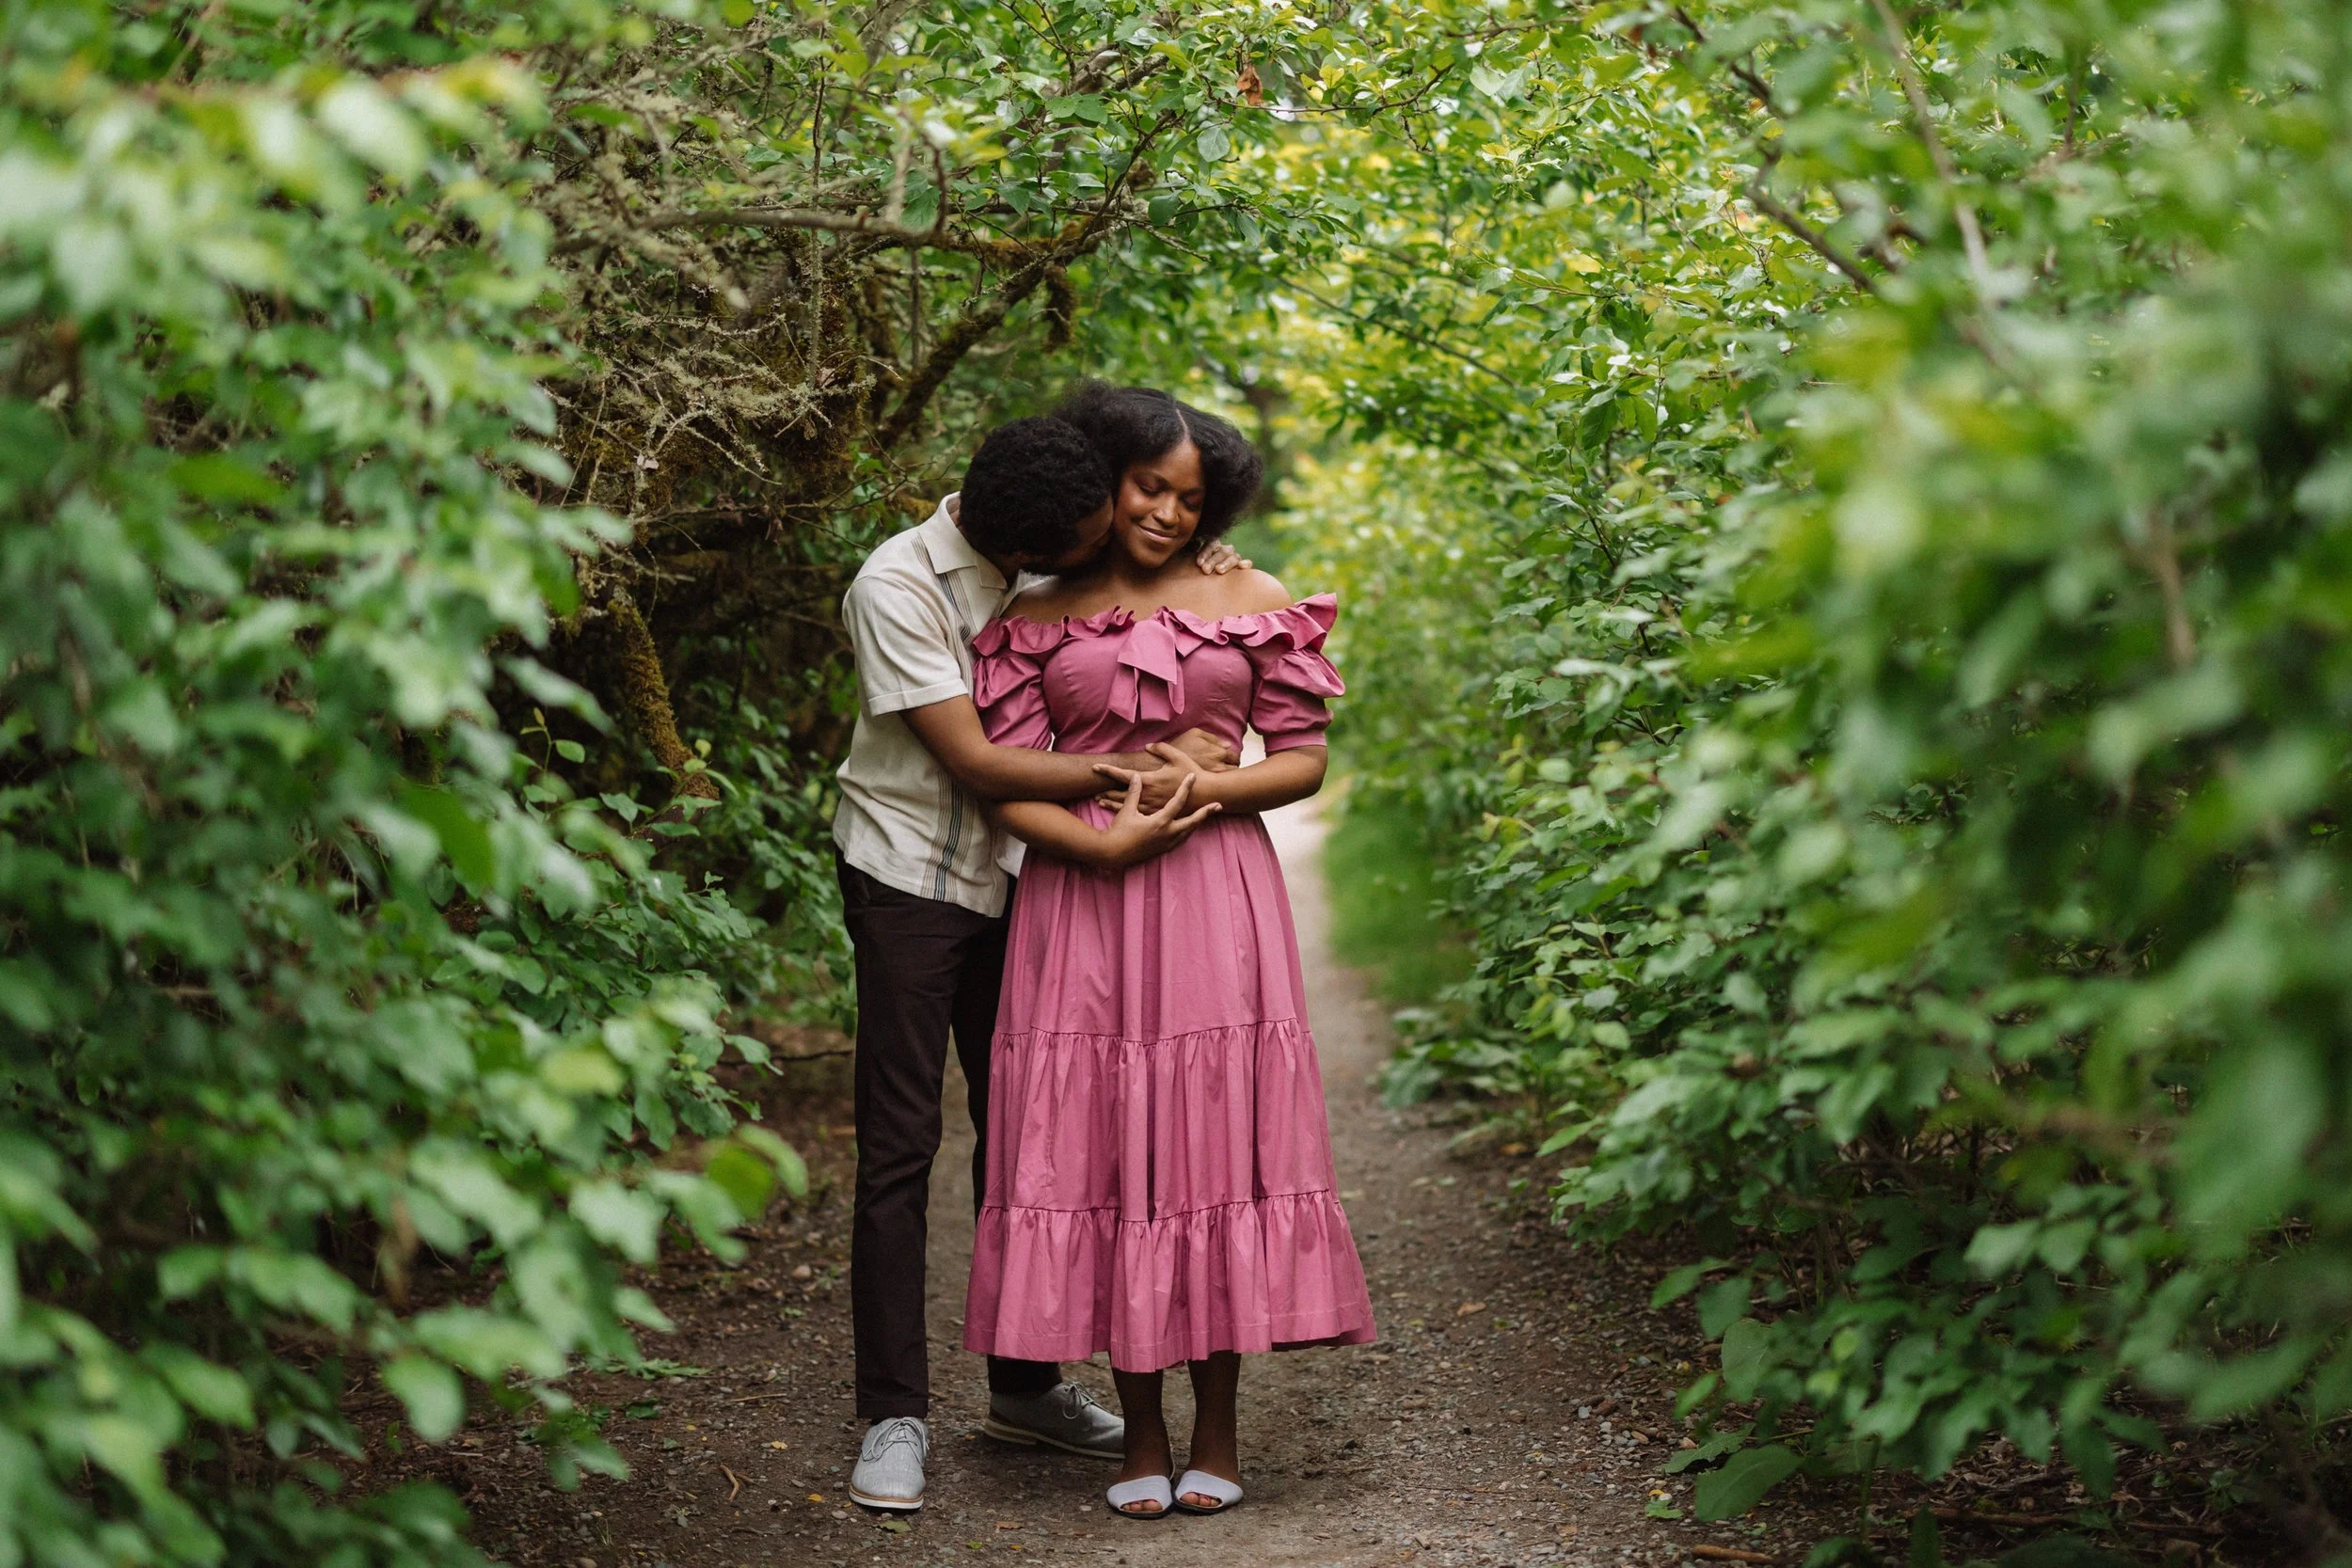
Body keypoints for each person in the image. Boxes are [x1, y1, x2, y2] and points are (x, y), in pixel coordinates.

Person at [960, 385, 1376, 1521]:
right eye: (1150, 487)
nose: (1167, 514)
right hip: (1081, 896)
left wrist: (1209, 784)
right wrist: (1098, 840)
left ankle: (1219, 1427)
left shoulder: (1252, 596)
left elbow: (1301, 758)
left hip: (1213, 888)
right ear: (1106, 478)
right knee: (1106, 1149)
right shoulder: (1038, 606)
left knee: (1209, 1147)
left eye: (1191, 499)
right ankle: (1139, 1430)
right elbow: (1003, 783)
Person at [832, 413, 1247, 1513]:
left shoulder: (1053, 546)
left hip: (1026, 875)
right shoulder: (897, 586)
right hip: (910, 876)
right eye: (1093, 534)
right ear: (1018, 541)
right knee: (901, 1143)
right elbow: (976, 760)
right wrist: (1145, 770)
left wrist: (1203, 556)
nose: (1111, 540)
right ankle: (893, 1412)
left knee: (1033, 1136)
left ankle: (1023, 1387)